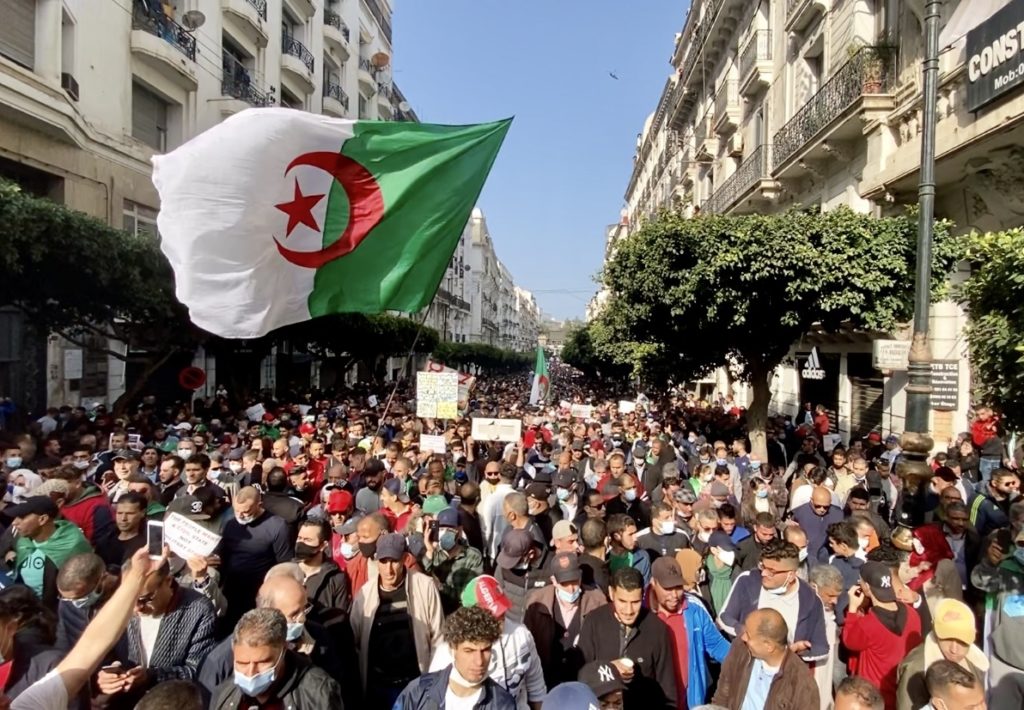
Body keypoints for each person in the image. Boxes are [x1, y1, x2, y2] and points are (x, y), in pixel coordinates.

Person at [97, 556, 217, 707]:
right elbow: (105, 650)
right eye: (130, 598)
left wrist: (151, 676)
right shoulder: (118, 604)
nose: (136, 608)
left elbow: (198, 671)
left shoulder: (199, 610)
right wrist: (109, 673)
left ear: (168, 581)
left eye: (145, 599)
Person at [350, 532, 444, 707]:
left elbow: (438, 637)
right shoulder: (365, 594)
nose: (389, 569)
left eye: (394, 561)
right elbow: (354, 642)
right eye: (383, 562)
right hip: (378, 686)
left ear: (405, 559)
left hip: (414, 684)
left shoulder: (425, 587)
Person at [431, 576, 547, 710]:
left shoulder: (522, 635)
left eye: (501, 610)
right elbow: (434, 699)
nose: (500, 618)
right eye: (491, 613)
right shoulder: (448, 651)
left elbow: (536, 688)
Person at [578, 567, 676, 708]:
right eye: (622, 601)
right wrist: (609, 669)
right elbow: (581, 675)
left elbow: (668, 691)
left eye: (635, 602)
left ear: (643, 595)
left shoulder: (658, 630)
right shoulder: (594, 621)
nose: (629, 611)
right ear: (611, 593)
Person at [718, 539, 829, 663]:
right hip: (746, 665)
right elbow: (724, 617)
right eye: (763, 566)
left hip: (786, 670)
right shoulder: (747, 581)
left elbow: (822, 648)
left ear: (791, 575)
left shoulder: (811, 600)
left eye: (771, 571)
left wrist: (797, 652)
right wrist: (745, 632)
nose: (764, 573)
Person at [210, 607, 343, 708]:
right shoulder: (224, 694)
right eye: (242, 663)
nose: (251, 673)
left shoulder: (318, 693)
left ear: (283, 650)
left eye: (262, 662)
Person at [394, 606, 516, 709]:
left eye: (485, 650)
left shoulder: (502, 704)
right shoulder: (418, 691)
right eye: (469, 651)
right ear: (452, 649)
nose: (479, 661)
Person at [648, 556, 730, 708]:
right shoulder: (641, 612)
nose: (674, 595)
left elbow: (717, 645)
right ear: (654, 583)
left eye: (678, 587)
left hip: (690, 700)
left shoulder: (695, 609)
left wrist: (745, 662)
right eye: (668, 589)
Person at [842, 561, 923, 710]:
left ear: (867, 587)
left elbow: (849, 641)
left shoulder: (868, 624)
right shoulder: (913, 614)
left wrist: (852, 609)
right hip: (904, 692)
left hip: (875, 697)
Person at [523, 551, 606, 688]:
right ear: (554, 581)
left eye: (575, 582)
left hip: (584, 682)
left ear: (581, 576)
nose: (571, 589)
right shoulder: (536, 603)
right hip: (546, 682)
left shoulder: (597, 601)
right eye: (564, 584)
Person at [712, 608, 820, 709]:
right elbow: (723, 694)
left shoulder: (802, 684)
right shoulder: (740, 648)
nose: (743, 637)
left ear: (769, 646)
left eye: (748, 635)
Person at [219, 486, 292, 629]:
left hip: (259, 593)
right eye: (236, 511)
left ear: (259, 504)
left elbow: (284, 564)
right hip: (231, 591)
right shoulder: (230, 523)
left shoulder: (277, 526)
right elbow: (224, 555)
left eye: (246, 511)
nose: (240, 515)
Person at [896, 597, 988, 710]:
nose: (954, 649)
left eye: (962, 641)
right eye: (947, 639)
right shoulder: (915, 668)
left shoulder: (976, 663)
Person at [9, 496, 91, 608]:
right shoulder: (24, 540)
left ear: (42, 519)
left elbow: (84, 586)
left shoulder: (73, 545)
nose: (14, 522)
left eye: (22, 517)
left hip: (55, 611)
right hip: (25, 607)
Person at [422, 507, 485, 615]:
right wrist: (429, 551)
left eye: (450, 529)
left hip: (458, 614)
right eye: (441, 528)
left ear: (459, 531)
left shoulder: (472, 556)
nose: (444, 533)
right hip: (435, 612)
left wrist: (439, 586)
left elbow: (467, 595)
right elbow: (420, 578)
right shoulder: (433, 553)